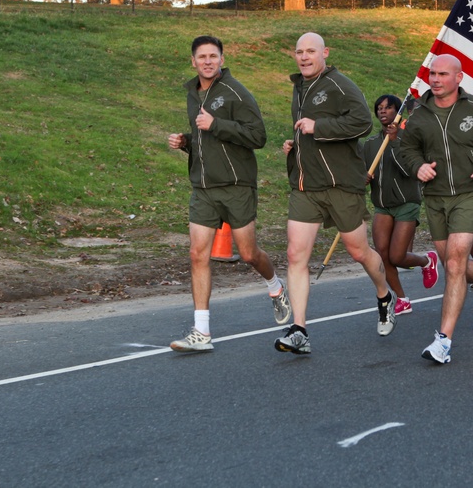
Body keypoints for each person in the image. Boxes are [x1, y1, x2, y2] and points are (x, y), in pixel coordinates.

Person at [168, 35, 290, 352]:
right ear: (192, 61)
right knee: (197, 254)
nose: (207, 61)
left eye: (213, 56)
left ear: (222, 59)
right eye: (202, 56)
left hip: (237, 186)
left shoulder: (235, 92)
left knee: (249, 254)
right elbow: (204, 137)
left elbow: (258, 136)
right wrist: (186, 142)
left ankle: (276, 287)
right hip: (204, 188)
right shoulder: (193, 94)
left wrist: (216, 124)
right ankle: (201, 332)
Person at [276, 32, 395, 355]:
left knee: (359, 252)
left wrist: (320, 128)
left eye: (311, 51)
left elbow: (362, 124)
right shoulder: (299, 87)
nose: (304, 57)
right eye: (299, 51)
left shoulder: (340, 85)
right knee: (295, 255)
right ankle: (299, 329)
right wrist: (295, 145)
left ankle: (384, 295)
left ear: (325, 53)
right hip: (306, 187)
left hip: (341, 185)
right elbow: (306, 128)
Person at [399, 54, 473, 364]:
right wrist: (417, 166)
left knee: (453, 263)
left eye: (442, 74)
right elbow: (406, 148)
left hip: (470, 193)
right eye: (432, 74)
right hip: (435, 197)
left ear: (458, 78)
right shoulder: (419, 114)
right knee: (455, 265)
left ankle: (443, 341)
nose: (435, 79)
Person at [362, 94, 440, 316]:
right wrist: (364, 177)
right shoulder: (370, 144)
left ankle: (427, 261)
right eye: (379, 108)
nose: (383, 112)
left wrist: (395, 141)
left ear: (398, 112)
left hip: (407, 202)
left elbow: (409, 170)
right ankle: (402, 299)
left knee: (398, 256)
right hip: (382, 205)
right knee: (382, 256)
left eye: (388, 108)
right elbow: (365, 170)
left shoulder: (409, 140)